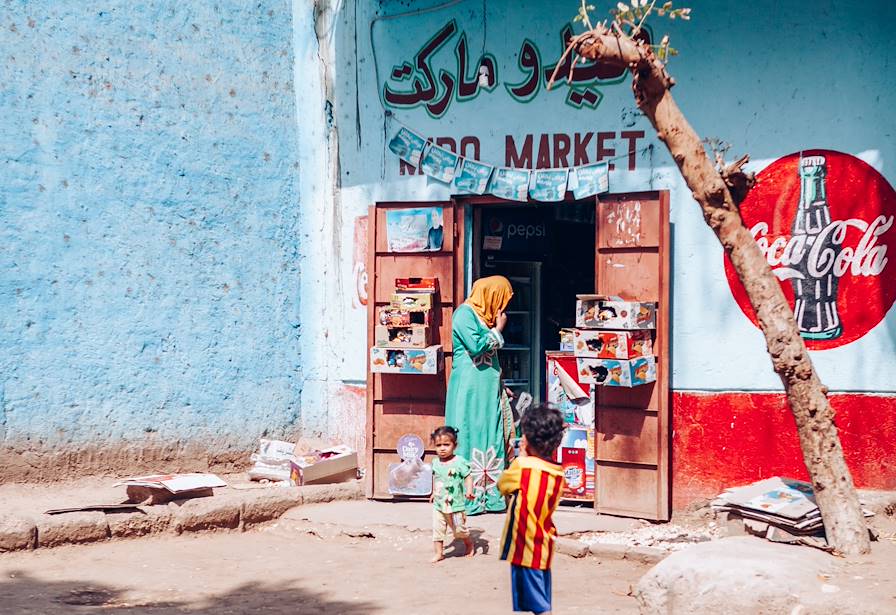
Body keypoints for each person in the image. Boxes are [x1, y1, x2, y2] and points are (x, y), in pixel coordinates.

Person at [445, 275, 515, 515]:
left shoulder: (482, 317)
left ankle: (491, 497)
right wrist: (498, 330)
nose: (503, 307)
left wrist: (501, 384)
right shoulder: (464, 315)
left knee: (491, 432)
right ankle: (471, 497)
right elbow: (477, 346)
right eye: (501, 299)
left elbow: (490, 359)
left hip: (488, 388)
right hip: (470, 389)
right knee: (469, 432)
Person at [498, 405, 566, 615]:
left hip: (524, 546)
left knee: (539, 605)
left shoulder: (523, 466)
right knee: (538, 597)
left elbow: (503, 485)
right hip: (543, 543)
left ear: (526, 440)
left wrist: (520, 458)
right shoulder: (557, 473)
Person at [429, 425, 474, 563]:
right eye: (438, 445)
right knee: (437, 529)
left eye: (446, 444)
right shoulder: (435, 462)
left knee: (459, 530)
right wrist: (432, 492)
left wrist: (469, 490)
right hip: (439, 504)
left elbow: (468, 476)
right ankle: (439, 553)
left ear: (454, 445)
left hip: (456, 505)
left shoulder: (459, 462)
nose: (442, 448)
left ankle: (469, 544)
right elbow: (435, 478)